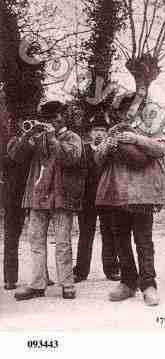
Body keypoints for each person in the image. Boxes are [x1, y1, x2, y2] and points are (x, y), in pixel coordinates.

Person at [95, 95, 165, 306]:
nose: (128, 113)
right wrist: (108, 144)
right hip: (117, 194)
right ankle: (128, 283)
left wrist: (135, 139)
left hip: (143, 195)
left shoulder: (152, 128)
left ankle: (148, 285)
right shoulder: (113, 130)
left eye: (132, 108)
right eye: (123, 110)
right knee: (121, 239)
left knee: (144, 241)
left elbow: (162, 149)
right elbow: (98, 159)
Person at [11, 101, 84, 301]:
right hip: (37, 196)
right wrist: (27, 134)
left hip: (62, 197)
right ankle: (37, 284)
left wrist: (52, 137)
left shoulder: (73, 137)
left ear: (64, 116)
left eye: (56, 116)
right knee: (35, 242)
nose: (52, 121)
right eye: (48, 118)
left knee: (62, 243)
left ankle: (67, 284)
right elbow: (17, 156)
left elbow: (71, 158)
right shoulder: (39, 136)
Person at [2, 119, 55, 291]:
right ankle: (10, 278)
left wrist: (44, 135)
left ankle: (42, 276)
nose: (29, 126)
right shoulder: (14, 141)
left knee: (38, 237)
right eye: (25, 123)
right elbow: (16, 156)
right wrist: (28, 135)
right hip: (14, 195)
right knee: (12, 236)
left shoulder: (39, 140)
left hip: (34, 193)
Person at [73, 112, 121, 283]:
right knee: (86, 234)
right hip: (87, 199)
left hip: (107, 198)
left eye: (102, 130)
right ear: (90, 133)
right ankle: (80, 271)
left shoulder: (111, 151)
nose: (99, 133)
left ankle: (112, 269)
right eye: (95, 130)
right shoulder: (83, 150)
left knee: (109, 233)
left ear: (107, 132)